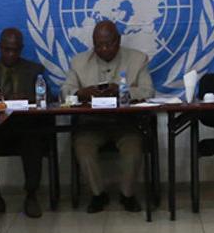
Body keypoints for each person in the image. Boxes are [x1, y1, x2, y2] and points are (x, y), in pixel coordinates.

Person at [61, 20, 154, 213]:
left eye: (108, 44)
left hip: (125, 124)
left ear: (118, 40)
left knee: (133, 151)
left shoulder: (137, 59)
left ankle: (127, 195)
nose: (103, 49)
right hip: (91, 124)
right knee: (83, 150)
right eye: (98, 45)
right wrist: (81, 93)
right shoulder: (79, 62)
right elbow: (65, 91)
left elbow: (148, 91)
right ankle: (98, 195)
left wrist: (122, 91)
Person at [0, 28, 50, 218]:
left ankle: (31, 196)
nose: (11, 54)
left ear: (21, 49)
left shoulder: (34, 71)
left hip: (24, 129)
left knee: (33, 141)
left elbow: (48, 100)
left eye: (15, 50)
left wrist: (28, 99)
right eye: (7, 49)